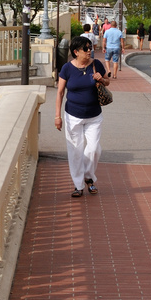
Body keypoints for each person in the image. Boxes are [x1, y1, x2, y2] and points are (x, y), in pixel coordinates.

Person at [55, 35, 110, 198]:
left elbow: (107, 82)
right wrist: (57, 116)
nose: (89, 51)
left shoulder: (96, 64)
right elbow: (60, 93)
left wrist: (102, 79)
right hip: (73, 116)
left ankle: (89, 177)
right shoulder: (67, 68)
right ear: (76, 52)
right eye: (85, 49)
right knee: (75, 151)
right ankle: (78, 185)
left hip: (94, 116)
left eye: (90, 48)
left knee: (93, 149)